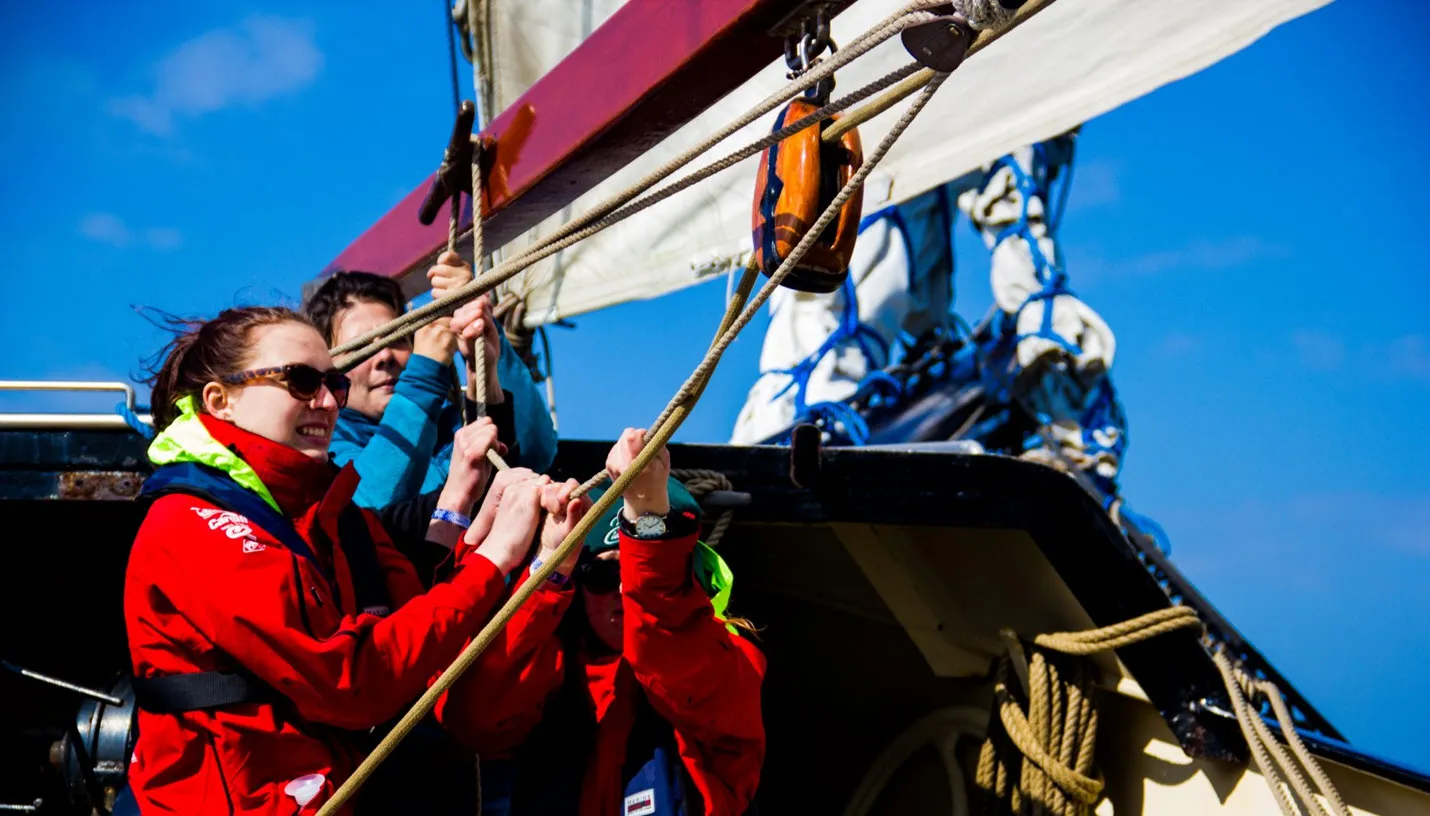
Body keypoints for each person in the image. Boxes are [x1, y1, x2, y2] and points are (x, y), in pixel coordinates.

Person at [123, 305, 554, 815]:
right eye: (301, 381)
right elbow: (349, 680)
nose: (327, 401)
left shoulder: (334, 513)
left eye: (333, 384)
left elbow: (417, 621)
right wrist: (494, 560)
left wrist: (495, 539)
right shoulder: (193, 523)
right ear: (222, 401)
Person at [437, 429, 767, 816]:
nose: (623, 591)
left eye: (636, 572)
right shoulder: (550, 675)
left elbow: (673, 651)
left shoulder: (730, 665)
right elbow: (472, 717)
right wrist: (549, 569)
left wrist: (648, 517)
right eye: (601, 576)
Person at [303, 252, 558, 519]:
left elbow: (536, 454)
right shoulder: (321, 443)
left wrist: (483, 361)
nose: (385, 356)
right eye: (362, 347)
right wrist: (424, 373)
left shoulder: (450, 421)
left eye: (397, 338)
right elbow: (373, 500)